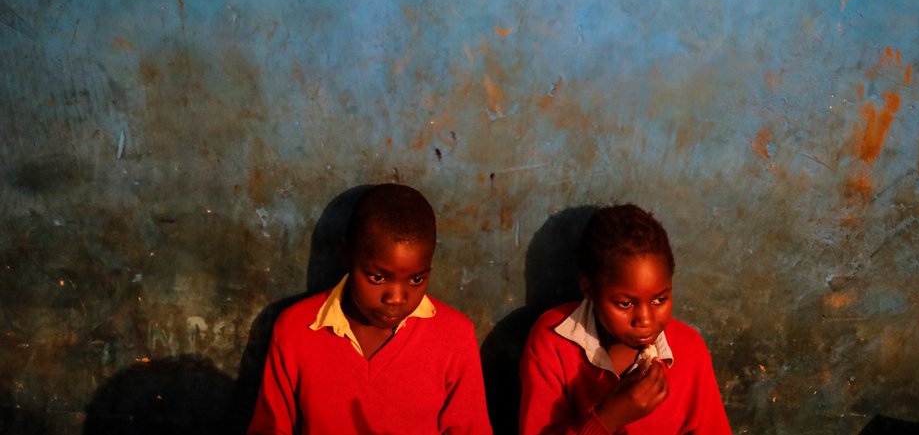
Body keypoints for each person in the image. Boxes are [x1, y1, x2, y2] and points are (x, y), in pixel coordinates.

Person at [247, 183, 493, 435]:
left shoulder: (453, 335)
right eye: (377, 277)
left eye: (416, 280)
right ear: (346, 255)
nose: (397, 298)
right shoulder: (297, 328)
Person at [519, 204, 731, 435]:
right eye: (625, 304)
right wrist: (608, 419)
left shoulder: (689, 350)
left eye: (660, 300)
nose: (645, 320)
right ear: (588, 289)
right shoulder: (553, 340)